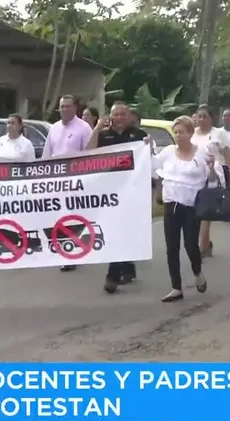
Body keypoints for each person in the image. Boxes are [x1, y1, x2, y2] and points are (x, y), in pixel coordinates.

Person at [87, 101, 149, 293]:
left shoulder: (138, 135)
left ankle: (113, 275)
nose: (120, 118)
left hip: (131, 191)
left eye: (123, 114)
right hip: (109, 192)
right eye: (116, 114)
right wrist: (97, 128)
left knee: (125, 229)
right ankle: (125, 267)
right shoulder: (104, 135)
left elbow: (147, 160)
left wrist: (148, 145)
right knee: (114, 230)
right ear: (110, 116)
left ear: (129, 116)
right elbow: (89, 152)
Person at [152, 116, 213, 302]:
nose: (178, 136)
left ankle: (197, 271)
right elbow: (153, 165)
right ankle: (176, 287)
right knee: (172, 246)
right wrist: (146, 149)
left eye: (182, 132)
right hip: (171, 203)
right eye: (176, 132)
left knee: (189, 244)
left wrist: (211, 169)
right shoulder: (168, 152)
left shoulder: (201, 153)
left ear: (190, 133)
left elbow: (212, 180)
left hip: (191, 205)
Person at [42, 95, 93, 273]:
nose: (64, 109)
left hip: (74, 180)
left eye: (67, 106)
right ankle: (62, 249)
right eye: (61, 106)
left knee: (71, 218)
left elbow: (89, 154)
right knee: (56, 217)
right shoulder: (54, 128)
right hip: (55, 180)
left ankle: (70, 252)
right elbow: (47, 154)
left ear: (75, 108)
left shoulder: (84, 128)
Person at [192, 104, 230, 257]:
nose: (201, 119)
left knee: (206, 209)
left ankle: (202, 246)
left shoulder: (218, 134)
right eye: (199, 116)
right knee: (196, 209)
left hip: (212, 174)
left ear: (211, 118)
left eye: (205, 116)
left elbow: (227, 154)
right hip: (194, 173)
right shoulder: (192, 133)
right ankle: (206, 244)